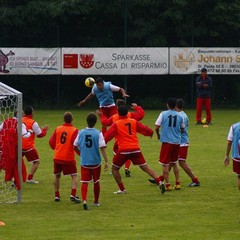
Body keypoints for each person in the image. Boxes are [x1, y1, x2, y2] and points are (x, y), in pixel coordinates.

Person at [104, 105, 165, 195]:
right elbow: (143, 128)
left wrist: (102, 142)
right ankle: (159, 181)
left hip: (123, 150)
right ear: (127, 113)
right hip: (135, 149)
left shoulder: (116, 124)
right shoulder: (133, 121)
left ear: (118, 113)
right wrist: (150, 132)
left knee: (114, 169)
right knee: (145, 167)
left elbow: (108, 135)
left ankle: (122, 189)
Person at [98, 98, 145, 177]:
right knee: (129, 154)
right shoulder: (130, 115)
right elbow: (140, 115)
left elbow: (105, 123)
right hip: (131, 139)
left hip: (119, 140)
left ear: (117, 107)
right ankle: (126, 168)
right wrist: (137, 107)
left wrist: (101, 115)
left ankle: (115, 169)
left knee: (117, 154)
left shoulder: (114, 117)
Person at [74, 113, 109, 210]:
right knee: (96, 181)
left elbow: (75, 145)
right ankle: (96, 201)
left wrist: (81, 154)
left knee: (85, 182)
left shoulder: (80, 132)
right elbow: (102, 147)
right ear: (95, 122)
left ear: (87, 121)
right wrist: (106, 161)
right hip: (96, 162)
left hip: (85, 162)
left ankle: (84, 200)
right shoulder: (98, 133)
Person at [49, 112, 80, 203]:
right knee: (74, 176)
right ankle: (73, 195)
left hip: (57, 156)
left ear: (63, 119)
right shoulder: (74, 130)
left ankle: (57, 196)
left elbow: (51, 143)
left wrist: (57, 148)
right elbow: (75, 144)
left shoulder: (58, 129)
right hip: (68, 157)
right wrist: (81, 153)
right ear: (72, 119)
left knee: (57, 175)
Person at [154, 98, 184, 191]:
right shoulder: (180, 116)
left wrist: (158, 134)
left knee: (165, 164)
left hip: (167, 142)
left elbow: (156, 126)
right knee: (174, 163)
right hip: (176, 142)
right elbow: (182, 129)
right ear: (175, 106)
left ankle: (167, 185)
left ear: (167, 105)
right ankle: (178, 183)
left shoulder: (163, 114)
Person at [0, 111, 32, 189]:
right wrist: (30, 132)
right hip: (13, 148)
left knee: (1, 163)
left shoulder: (6, 121)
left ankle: (13, 180)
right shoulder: (20, 124)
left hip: (2, 146)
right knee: (16, 164)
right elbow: (25, 135)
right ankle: (15, 181)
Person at [22, 105, 49, 184]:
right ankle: (30, 178)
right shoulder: (33, 122)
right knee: (36, 161)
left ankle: (14, 179)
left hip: (18, 145)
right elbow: (40, 135)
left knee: (17, 162)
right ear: (32, 113)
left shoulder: (19, 120)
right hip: (28, 146)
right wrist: (44, 130)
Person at [224, 121, 240, 191]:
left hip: (237, 156)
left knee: (239, 177)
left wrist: (227, 155)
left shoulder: (234, 126)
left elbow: (229, 142)